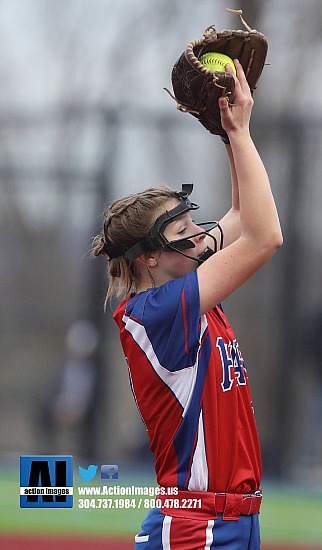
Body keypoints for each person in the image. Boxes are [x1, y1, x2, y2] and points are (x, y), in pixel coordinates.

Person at [92, 60, 283, 549]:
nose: (200, 235)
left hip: (230, 520)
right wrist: (239, 135)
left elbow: (243, 214)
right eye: (183, 233)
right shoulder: (155, 312)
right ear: (151, 255)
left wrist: (229, 132)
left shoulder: (188, 286)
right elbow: (265, 237)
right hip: (197, 527)